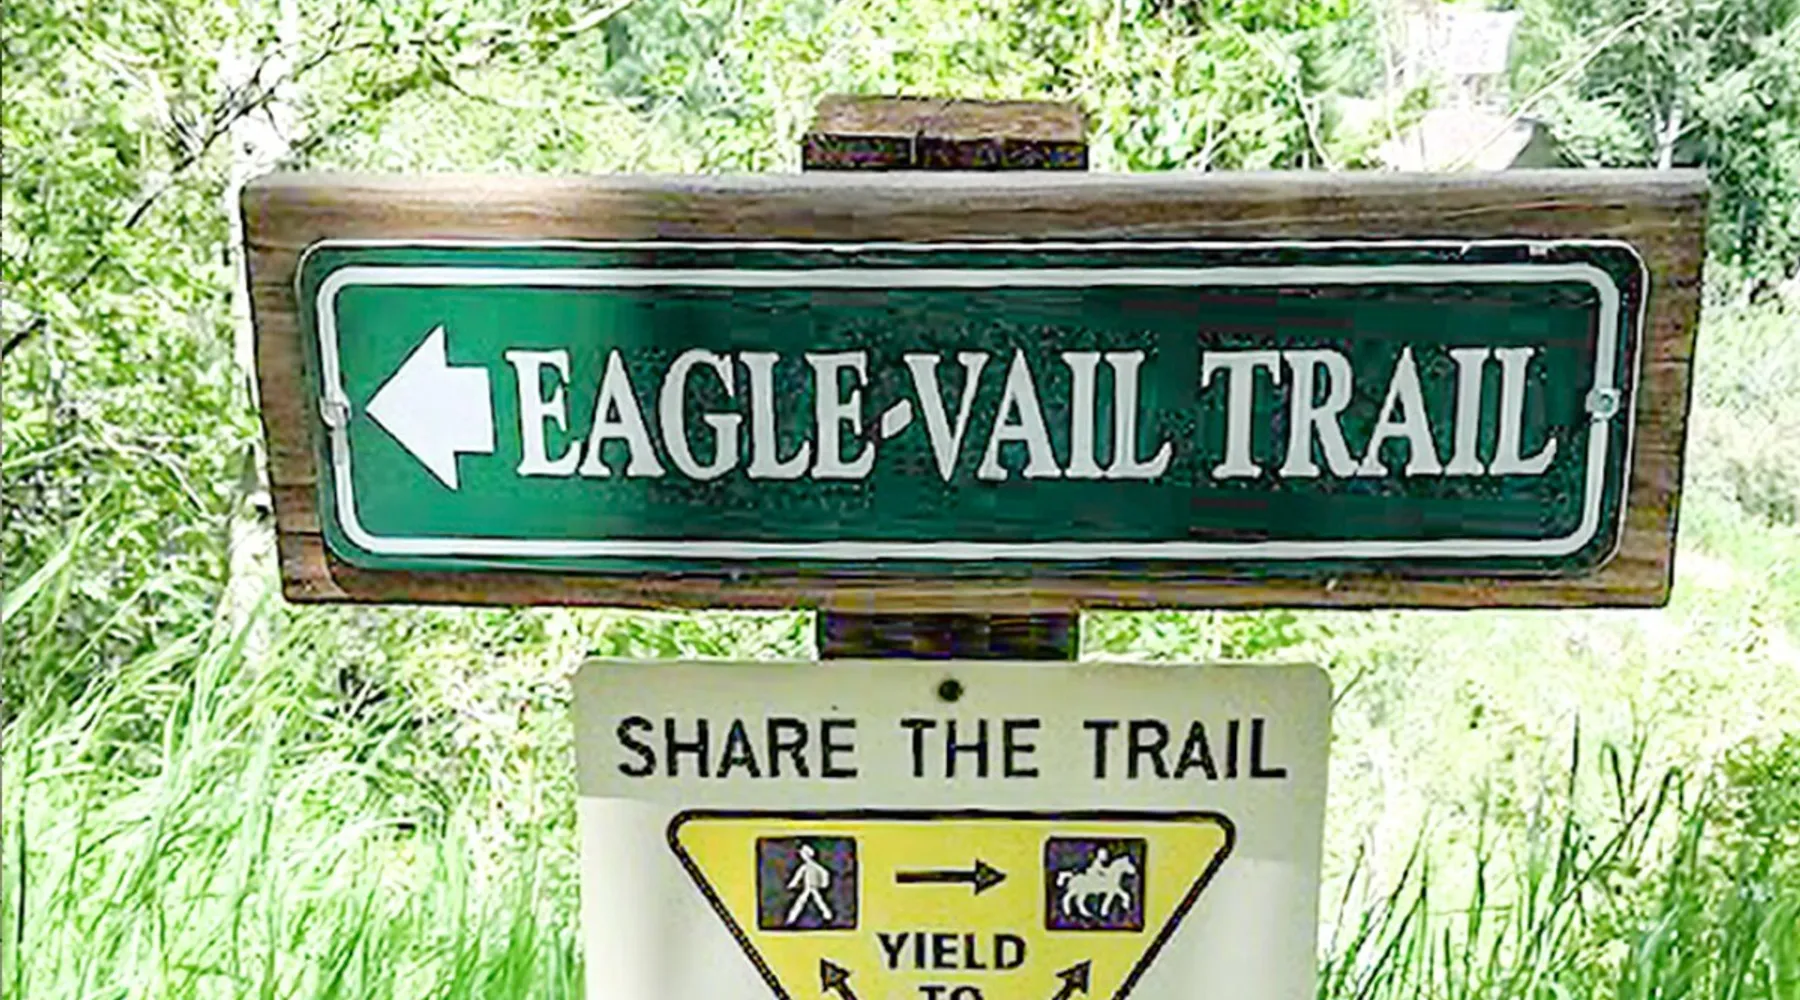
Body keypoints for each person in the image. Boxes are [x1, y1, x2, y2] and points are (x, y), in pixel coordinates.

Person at [785, 843, 834, 925]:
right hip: (808, 888)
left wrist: (824, 884)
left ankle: (792, 918)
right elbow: (798, 876)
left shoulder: (814, 866)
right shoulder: (806, 866)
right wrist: (792, 884)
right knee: (807, 901)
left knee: (809, 902)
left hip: (812, 887)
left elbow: (825, 873)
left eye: (802, 854)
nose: (801, 855)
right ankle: (792, 918)